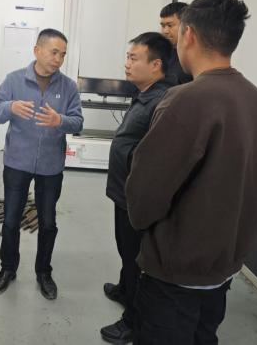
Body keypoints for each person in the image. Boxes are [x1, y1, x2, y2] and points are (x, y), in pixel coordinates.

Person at [125, 0, 257, 344]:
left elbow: (145, 194)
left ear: (189, 35)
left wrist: (141, 224)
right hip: (222, 269)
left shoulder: (186, 100)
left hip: (175, 274)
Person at [0, 28, 83, 300]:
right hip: (17, 162)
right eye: (54, 52)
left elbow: (78, 122)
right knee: (10, 220)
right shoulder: (14, 80)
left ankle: (44, 272)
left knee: (48, 222)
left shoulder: (68, 87)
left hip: (51, 167)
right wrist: (10, 107)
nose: (58, 59)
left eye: (63, 54)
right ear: (37, 51)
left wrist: (60, 121)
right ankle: (7, 269)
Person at [100, 32, 175, 344]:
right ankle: (124, 289)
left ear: (156, 65)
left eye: (133, 58)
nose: (127, 64)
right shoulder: (144, 95)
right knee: (126, 251)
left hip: (136, 199)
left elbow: (154, 157)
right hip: (124, 193)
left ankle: (133, 321)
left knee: (135, 258)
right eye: (127, 57)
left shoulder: (161, 102)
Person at [159, 1, 193, 85]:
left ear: (185, 26)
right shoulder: (159, 53)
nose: (165, 31)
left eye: (170, 25)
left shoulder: (195, 56)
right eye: (163, 26)